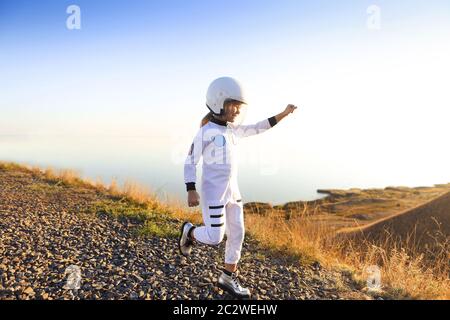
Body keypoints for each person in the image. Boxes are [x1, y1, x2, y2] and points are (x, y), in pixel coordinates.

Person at [179, 76, 297, 298]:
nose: (236, 110)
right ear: (218, 102)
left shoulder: (233, 129)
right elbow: (190, 161)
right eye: (233, 105)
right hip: (214, 195)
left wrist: (282, 114)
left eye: (238, 106)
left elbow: (258, 127)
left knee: (238, 233)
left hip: (234, 193)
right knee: (215, 237)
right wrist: (190, 188)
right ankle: (190, 232)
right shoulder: (205, 132)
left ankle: (227, 277)